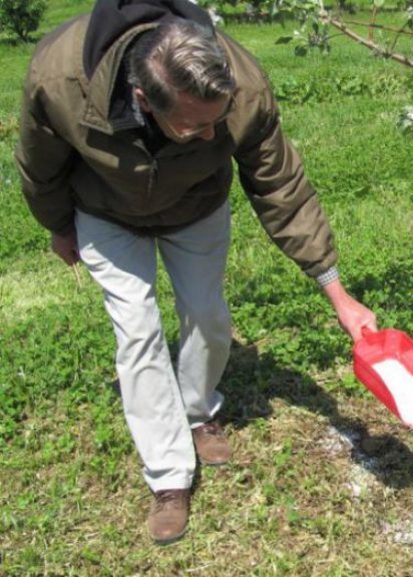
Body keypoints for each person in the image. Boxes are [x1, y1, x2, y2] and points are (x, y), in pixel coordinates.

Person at [15, 0, 377, 545]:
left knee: (207, 317)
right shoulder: (59, 77)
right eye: (194, 126)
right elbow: (39, 165)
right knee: (137, 332)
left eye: (217, 121)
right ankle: (168, 476)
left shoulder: (242, 86)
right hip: (105, 212)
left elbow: (280, 186)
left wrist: (336, 291)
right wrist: (59, 226)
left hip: (197, 206)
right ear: (142, 99)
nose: (212, 137)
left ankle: (198, 410)